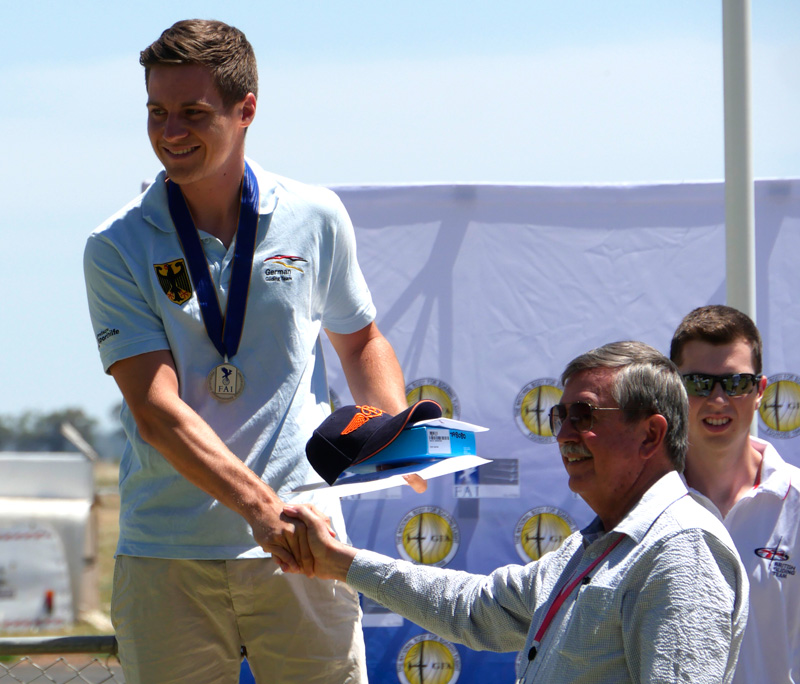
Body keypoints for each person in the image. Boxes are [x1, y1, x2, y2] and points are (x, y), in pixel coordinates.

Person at [83, 19, 417, 684]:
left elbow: (361, 340)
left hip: (307, 540)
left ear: (246, 111)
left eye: (193, 112)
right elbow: (155, 410)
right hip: (168, 552)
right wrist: (263, 511)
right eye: (156, 111)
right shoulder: (116, 244)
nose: (170, 131)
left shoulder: (315, 215)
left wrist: (395, 432)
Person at [284, 341, 750, 683]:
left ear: (650, 435)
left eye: (584, 416)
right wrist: (340, 562)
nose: (563, 435)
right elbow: (473, 608)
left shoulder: (682, 549)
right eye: (559, 417)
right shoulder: (597, 546)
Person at [670, 305, 800, 684]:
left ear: (759, 391)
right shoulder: (643, 501)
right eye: (698, 383)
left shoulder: (796, 500)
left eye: (736, 383)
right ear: (673, 390)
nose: (717, 399)